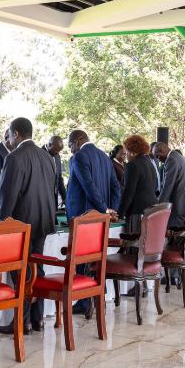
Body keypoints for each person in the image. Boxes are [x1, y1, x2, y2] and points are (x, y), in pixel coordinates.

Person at [0, 118, 57, 334]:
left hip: (20, 225)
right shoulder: (47, 157)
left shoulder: (14, 157)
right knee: (36, 268)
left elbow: (7, 197)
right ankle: (37, 319)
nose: (8, 139)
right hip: (43, 222)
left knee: (21, 272)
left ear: (17, 134)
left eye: (9, 135)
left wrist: (0, 227)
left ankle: (22, 322)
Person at [65, 129, 120, 312]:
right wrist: (111, 209)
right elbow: (115, 186)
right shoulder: (104, 157)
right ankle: (97, 296)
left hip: (83, 215)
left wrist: (105, 209)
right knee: (95, 256)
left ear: (77, 140)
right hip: (100, 217)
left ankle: (83, 300)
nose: (71, 150)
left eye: (70, 145)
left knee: (81, 258)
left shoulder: (80, 157)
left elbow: (88, 186)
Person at [118, 135, 159, 233]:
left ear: (132, 152)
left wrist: (120, 214)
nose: (126, 155)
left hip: (137, 211)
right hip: (151, 209)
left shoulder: (132, 165)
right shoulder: (150, 164)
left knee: (134, 245)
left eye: (126, 151)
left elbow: (128, 192)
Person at [152, 141, 185, 228]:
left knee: (175, 232)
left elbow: (167, 186)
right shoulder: (177, 156)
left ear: (161, 150)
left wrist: (159, 207)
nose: (158, 159)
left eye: (157, 156)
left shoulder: (171, 160)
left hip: (180, 203)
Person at [43, 135, 67, 206]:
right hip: (43, 199)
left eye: (59, 150)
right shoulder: (39, 154)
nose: (58, 152)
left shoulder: (57, 156)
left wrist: (64, 197)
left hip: (54, 199)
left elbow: (59, 177)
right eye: (56, 149)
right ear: (50, 145)